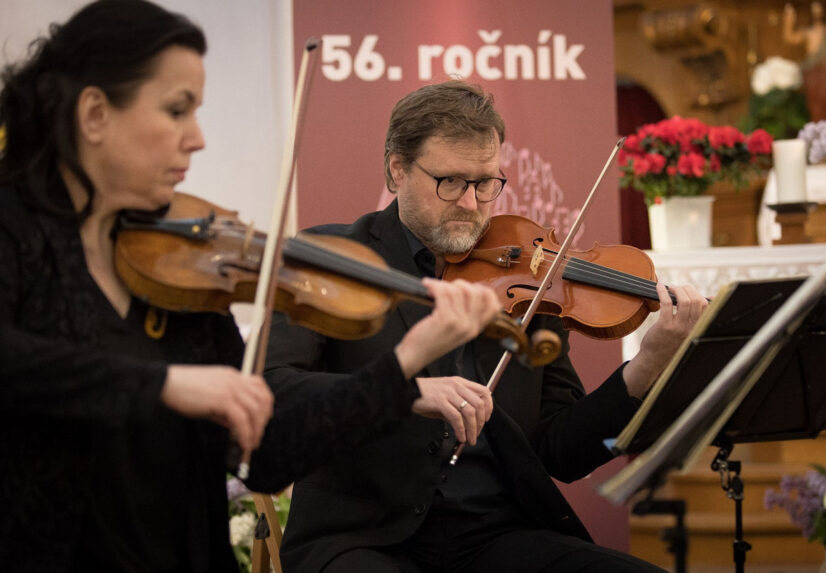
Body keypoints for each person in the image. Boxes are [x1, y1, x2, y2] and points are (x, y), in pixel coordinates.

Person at [0, 3, 503, 571]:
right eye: (176, 110)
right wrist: (165, 385)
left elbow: (264, 458)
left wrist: (402, 365)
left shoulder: (183, 265)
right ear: (94, 114)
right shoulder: (14, 234)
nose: (197, 138)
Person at [245, 80, 708, 572]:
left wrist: (650, 362)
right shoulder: (331, 258)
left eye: (486, 182)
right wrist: (403, 390)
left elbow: (562, 453)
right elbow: (270, 389)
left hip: (495, 537)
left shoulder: (533, 277)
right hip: (363, 538)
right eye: (450, 182)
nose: (471, 203)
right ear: (398, 169)